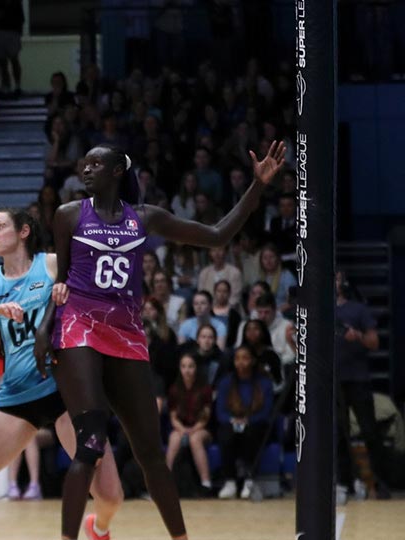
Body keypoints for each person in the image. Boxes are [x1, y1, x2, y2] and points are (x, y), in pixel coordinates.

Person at [35, 141, 285, 539]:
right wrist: (44, 329)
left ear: (118, 171)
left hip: (127, 335)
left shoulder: (145, 217)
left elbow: (218, 235)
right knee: (91, 442)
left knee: (151, 454)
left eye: (97, 164)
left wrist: (257, 186)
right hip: (78, 326)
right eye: (85, 164)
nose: (86, 170)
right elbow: (60, 282)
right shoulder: (67, 216)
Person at [0, 209, 122, 540]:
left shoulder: (49, 264)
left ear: (23, 232)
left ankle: (98, 527)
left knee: (110, 496)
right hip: (17, 397)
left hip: (65, 393)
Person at [334, 271, 391, 500]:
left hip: (358, 378)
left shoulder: (358, 309)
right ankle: (344, 483)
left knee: (369, 430)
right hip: (334, 380)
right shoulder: (319, 312)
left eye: (336, 277)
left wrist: (357, 335)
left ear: (343, 282)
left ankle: (379, 482)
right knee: (339, 434)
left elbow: (374, 342)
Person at [215, 346, 274, 500]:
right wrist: (232, 420)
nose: (241, 362)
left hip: (256, 422)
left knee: (252, 433)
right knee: (225, 435)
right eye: (237, 358)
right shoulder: (226, 382)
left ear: (253, 360)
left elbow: (266, 411)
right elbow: (220, 411)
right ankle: (230, 481)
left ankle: (249, 480)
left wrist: (248, 420)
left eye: (245, 358)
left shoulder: (264, 382)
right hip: (232, 422)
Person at [165, 354, 213, 496]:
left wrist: (192, 429)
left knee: (195, 439)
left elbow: (205, 416)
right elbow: (173, 417)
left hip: (202, 428)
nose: (187, 370)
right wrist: (183, 429)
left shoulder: (205, 389)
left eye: (190, 366)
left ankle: (206, 482)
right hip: (181, 427)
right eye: (184, 366)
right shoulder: (174, 389)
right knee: (174, 438)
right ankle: (165, 482)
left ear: (196, 368)